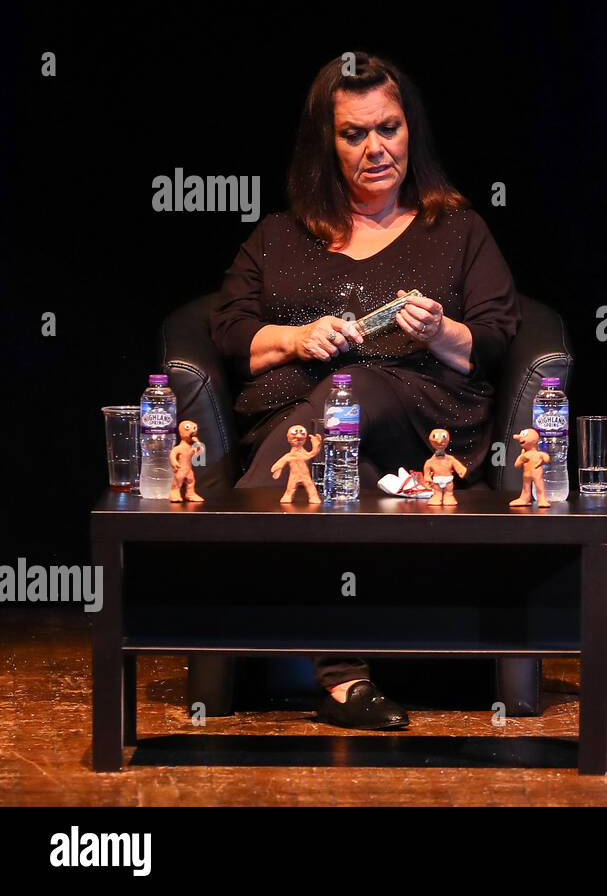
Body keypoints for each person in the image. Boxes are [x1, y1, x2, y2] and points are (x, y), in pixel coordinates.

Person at [210, 52, 521, 729]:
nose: (376, 147)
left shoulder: (459, 230)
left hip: (421, 411)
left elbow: (497, 337)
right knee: (338, 459)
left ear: (412, 131)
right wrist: (295, 339)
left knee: (350, 395)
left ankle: (238, 547)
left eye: (389, 127)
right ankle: (345, 678)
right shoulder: (280, 237)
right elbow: (229, 331)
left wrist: (440, 329)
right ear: (327, 143)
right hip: (295, 424)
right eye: (355, 134)